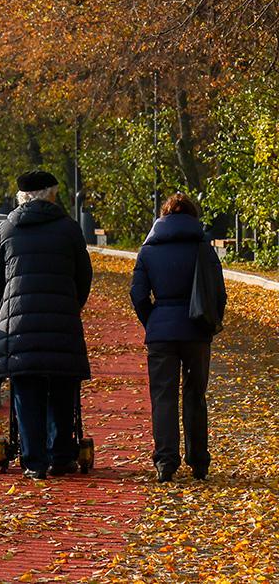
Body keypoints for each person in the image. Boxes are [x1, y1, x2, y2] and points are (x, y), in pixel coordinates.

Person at [0, 168, 93, 479]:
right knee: (62, 385)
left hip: (19, 325)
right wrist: (72, 305)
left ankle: (33, 461)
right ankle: (61, 455)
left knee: (26, 387)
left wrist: (5, 307)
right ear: (50, 194)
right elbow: (83, 276)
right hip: (61, 321)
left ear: (22, 196)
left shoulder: (8, 229)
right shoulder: (69, 229)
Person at [130, 193, 226, 482]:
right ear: (192, 217)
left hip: (161, 331)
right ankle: (199, 461)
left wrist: (154, 320)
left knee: (163, 396)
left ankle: (165, 461)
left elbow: (137, 295)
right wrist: (209, 323)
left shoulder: (148, 251)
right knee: (195, 395)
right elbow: (218, 293)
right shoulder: (203, 249)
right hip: (196, 331)